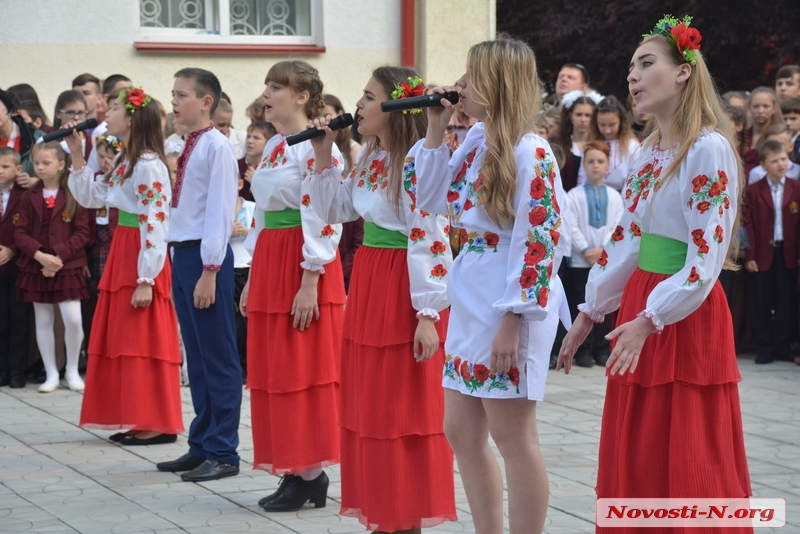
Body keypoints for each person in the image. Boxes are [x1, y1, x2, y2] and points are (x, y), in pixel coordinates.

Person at [557, 16, 753, 534]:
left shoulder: (706, 148)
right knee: (640, 449)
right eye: (629, 68)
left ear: (684, 73)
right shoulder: (650, 151)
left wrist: (651, 317)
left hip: (680, 311)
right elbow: (626, 241)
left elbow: (706, 257)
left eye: (646, 64)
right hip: (644, 304)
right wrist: (591, 311)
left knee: (689, 455)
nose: (633, 77)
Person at [413, 37, 566, 534]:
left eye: (472, 75)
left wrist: (512, 319)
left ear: (497, 83)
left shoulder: (531, 149)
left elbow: (540, 238)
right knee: (459, 428)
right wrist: (436, 126)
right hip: (471, 288)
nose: (461, 85)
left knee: (513, 435)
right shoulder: (477, 140)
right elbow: (432, 200)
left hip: (507, 298)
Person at [308, 66, 456, 533]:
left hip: (404, 291)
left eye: (368, 97)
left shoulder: (419, 160)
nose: (358, 106)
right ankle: (382, 515)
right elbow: (335, 210)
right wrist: (322, 153)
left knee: (401, 408)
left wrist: (428, 312)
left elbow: (430, 233)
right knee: (370, 404)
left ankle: (404, 516)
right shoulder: (374, 156)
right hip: (371, 281)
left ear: (396, 108)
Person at [238, 60, 346, 512]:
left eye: (277, 86)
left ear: (302, 96)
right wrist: (251, 273)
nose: (267, 92)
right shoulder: (279, 145)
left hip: (302, 264)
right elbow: (262, 213)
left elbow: (321, 214)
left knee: (299, 368)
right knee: (274, 371)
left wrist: (310, 277)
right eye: (267, 84)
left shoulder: (316, 148)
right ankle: (294, 467)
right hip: (271, 260)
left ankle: (310, 472)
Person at [66, 87, 183, 443]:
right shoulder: (128, 161)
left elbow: (155, 220)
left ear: (131, 118)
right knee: (126, 335)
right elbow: (92, 196)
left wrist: (146, 276)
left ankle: (155, 421)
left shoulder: (148, 165)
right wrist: (76, 157)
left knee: (141, 336)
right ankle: (137, 414)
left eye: (114, 108)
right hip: (125, 248)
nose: (107, 113)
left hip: (140, 252)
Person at [155, 68, 241, 482]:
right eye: (172, 94)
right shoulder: (188, 144)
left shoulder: (216, 147)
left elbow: (220, 211)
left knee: (218, 355)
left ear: (206, 102)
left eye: (182, 94)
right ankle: (201, 443)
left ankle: (224, 449)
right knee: (198, 356)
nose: (173, 101)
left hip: (206, 260)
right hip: (183, 254)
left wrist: (209, 269)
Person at [15, 142, 90, 393]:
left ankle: (71, 369)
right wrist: (40, 256)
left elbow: (83, 233)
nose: (40, 167)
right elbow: (20, 232)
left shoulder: (73, 194)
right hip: (36, 266)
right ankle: (51, 374)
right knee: (43, 319)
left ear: (61, 165)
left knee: (73, 318)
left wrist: (57, 257)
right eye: (37, 163)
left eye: (46, 163)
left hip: (66, 266)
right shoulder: (29, 196)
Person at [567, 141, 624, 368]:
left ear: (608, 164)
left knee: (604, 303)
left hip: (606, 261)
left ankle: (602, 348)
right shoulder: (574, 195)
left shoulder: (615, 197)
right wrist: (585, 250)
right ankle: (583, 350)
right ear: (584, 165)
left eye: (600, 161)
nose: (595, 166)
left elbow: (618, 226)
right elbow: (570, 226)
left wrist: (604, 251)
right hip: (581, 261)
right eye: (590, 161)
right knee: (582, 304)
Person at [744, 139, 800, 364]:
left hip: (788, 252)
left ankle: (783, 345)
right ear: (763, 165)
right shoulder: (753, 191)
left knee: (786, 300)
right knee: (763, 300)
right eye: (774, 160)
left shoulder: (796, 188)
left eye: (784, 159)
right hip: (763, 254)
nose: (781, 164)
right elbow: (748, 225)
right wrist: (750, 255)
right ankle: (764, 346)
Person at [0, 147, 31, 389]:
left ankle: (17, 370)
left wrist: (12, 248)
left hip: (19, 264)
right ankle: (2, 368)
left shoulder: (25, 194)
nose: (0, 172)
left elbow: (28, 229)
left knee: (19, 317)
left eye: (5, 167)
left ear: (18, 169)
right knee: (1, 318)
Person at [589, 95, 640, 191]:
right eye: (602, 125)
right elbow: (583, 176)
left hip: (623, 198)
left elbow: (634, 178)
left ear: (621, 122)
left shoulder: (632, 146)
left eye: (612, 125)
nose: (607, 130)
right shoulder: (592, 144)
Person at [556, 91, 599, 190]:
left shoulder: (599, 144)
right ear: (571, 116)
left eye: (588, 115)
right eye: (579, 114)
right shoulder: (560, 145)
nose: (583, 119)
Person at [0, 90, 44, 178]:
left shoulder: (37, 137)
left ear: (9, 109)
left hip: (29, 191)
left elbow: (57, 173)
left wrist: (37, 182)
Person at [743, 87, 784, 176]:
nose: (760, 111)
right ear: (749, 108)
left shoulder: (779, 135)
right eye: (756, 106)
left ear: (774, 109)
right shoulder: (742, 135)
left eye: (766, 106)